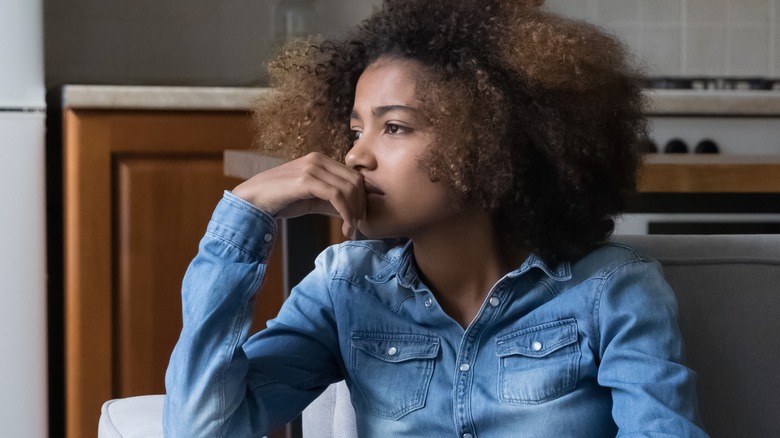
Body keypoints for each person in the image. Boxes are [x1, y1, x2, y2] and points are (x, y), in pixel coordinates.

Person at [164, 0, 709, 436]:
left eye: (394, 127)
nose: (355, 156)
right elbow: (202, 428)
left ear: (489, 141)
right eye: (355, 131)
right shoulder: (343, 289)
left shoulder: (612, 292)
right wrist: (247, 211)